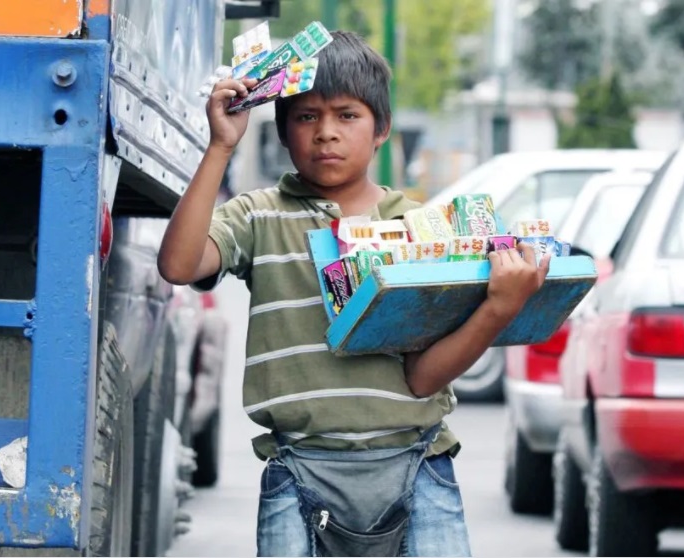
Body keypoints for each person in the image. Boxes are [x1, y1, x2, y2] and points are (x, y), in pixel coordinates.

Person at [158, 30, 550, 557]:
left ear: (381, 127)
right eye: (306, 116)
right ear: (282, 131)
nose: (326, 133)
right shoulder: (258, 216)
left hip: (418, 466)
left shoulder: (420, 230)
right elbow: (179, 265)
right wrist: (221, 147)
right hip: (298, 470)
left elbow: (422, 378)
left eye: (347, 115)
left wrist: (500, 307)